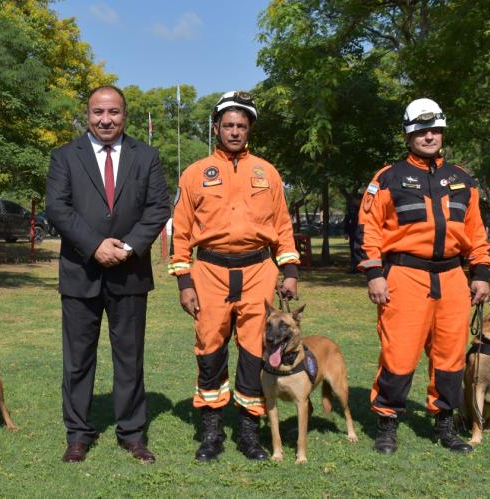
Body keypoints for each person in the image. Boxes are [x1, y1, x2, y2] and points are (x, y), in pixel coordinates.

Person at [170, 91, 300, 462]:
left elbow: (283, 226)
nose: (234, 131)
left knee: (255, 350)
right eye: (228, 125)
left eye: (241, 125)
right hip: (210, 270)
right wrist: (184, 281)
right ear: (216, 127)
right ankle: (211, 431)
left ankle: (248, 431)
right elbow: (181, 231)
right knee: (210, 349)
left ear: (250, 129)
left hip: (258, 270)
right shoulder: (195, 173)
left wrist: (290, 271)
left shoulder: (267, 172)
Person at [355, 98, 490, 454]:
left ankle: (444, 423)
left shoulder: (463, 178)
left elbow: (476, 232)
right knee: (398, 353)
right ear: (408, 135)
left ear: (442, 133)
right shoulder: (388, 177)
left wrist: (480, 273)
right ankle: (387, 423)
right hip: (404, 275)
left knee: (450, 355)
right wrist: (374, 274)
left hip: (452, 277)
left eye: (435, 130)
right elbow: (368, 229)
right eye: (421, 131)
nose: (429, 137)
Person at [45, 86, 170, 464]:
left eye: (113, 112)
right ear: (87, 115)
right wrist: (95, 245)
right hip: (80, 271)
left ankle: (132, 434)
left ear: (124, 115)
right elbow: (58, 208)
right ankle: (77, 435)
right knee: (78, 360)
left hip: (130, 273)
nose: (105, 119)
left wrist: (128, 247)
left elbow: (158, 207)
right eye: (98, 112)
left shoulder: (146, 156)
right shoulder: (65, 156)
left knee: (129, 358)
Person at [344, 194, 362, 273]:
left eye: (356, 199)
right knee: (353, 249)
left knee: (361, 249)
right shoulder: (351, 208)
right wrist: (345, 232)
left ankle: (361, 267)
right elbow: (347, 220)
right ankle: (354, 267)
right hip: (353, 231)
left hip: (362, 231)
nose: (354, 201)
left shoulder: (365, 207)